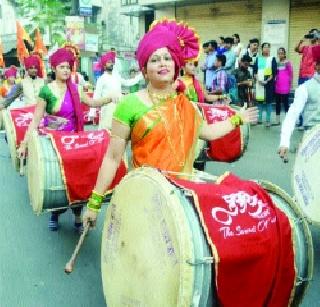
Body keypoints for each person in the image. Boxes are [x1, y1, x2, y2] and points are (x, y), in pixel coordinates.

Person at [82, 19, 257, 227]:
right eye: (155, 59)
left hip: (180, 199)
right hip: (143, 196)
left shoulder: (187, 106)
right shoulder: (130, 105)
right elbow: (112, 158)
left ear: (176, 66)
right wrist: (94, 202)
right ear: (145, 70)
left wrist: (238, 119)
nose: (163, 63)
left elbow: (208, 132)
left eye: (167, 58)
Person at [17, 48, 113, 232]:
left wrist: (111, 98)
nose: (66, 70)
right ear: (54, 68)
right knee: (59, 179)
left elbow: (92, 103)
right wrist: (24, 143)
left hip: (74, 142)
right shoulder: (46, 91)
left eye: (68, 67)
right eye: (62, 67)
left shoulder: (75, 88)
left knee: (78, 177)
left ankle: (77, 213)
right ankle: (55, 212)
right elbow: (36, 119)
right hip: (54, 142)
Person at [278, 45, 320, 162]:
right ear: (317, 66)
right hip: (313, 144)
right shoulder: (305, 88)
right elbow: (292, 115)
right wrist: (284, 142)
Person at [90, 51, 142, 129]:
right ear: (104, 65)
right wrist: (92, 112)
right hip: (107, 109)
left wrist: (140, 76)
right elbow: (96, 95)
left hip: (118, 108)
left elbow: (128, 83)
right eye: (108, 62)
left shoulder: (116, 76)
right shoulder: (101, 79)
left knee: (117, 132)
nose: (111, 64)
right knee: (106, 132)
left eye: (112, 62)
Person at [294, 28, 320, 127]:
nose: (312, 36)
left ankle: (310, 120)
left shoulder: (318, 47)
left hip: (312, 76)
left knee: (310, 100)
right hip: (302, 75)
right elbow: (296, 49)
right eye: (310, 35)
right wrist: (302, 39)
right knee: (301, 99)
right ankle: (301, 121)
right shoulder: (306, 48)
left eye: (313, 35)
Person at [253, 42, 277, 127]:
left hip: (269, 83)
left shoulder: (272, 58)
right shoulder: (258, 59)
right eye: (265, 47)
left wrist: (267, 81)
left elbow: (274, 72)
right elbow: (255, 71)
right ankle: (259, 120)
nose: (266, 49)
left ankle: (268, 120)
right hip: (259, 82)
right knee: (259, 101)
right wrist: (258, 80)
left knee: (268, 102)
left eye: (268, 47)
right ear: (262, 49)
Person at [274, 47, 293, 125]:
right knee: (277, 103)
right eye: (279, 53)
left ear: (284, 54)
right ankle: (277, 120)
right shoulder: (277, 63)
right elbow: (276, 73)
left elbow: (291, 74)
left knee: (285, 103)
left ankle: (288, 120)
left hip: (285, 86)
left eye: (282, 53)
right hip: (278, 86)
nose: (280, 54)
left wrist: (290, 84)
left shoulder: (288, 62)